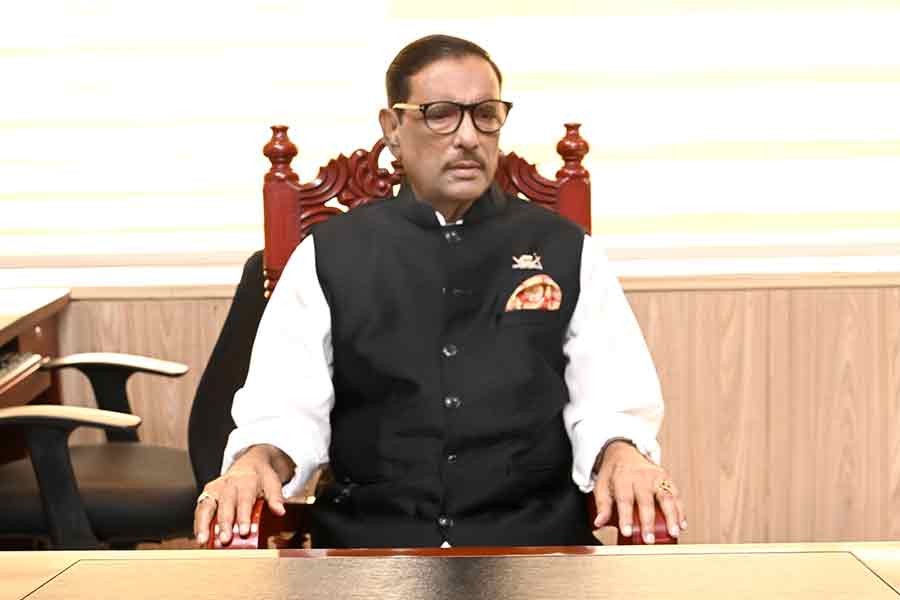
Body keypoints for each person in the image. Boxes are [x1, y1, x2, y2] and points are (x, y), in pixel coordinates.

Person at [194, 34, 687, 548]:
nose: (469, 137)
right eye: (441, 115)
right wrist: (255, 461)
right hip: (372, 551)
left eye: (486, 114)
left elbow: (610, 401)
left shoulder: (566, 250)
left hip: (531, 547)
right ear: (392, 129)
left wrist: (622, 450)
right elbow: (285, 410)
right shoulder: (327, 255)